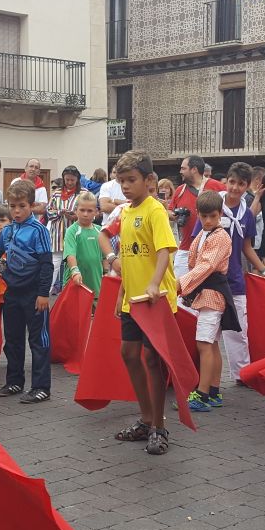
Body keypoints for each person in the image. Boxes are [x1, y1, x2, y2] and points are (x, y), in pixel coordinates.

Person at [102, 150, 179, 456]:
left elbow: (164, 251)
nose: (125, 186)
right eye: (121, 181)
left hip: (155, 300)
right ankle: (146, 419)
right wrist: (122, 290)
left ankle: (159, 425)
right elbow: (127, 256)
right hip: (132, 299)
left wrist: (153, 283)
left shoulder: (154, 210)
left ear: (149, 180)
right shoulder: (126, 213)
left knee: (152, 360)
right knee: (129, 353)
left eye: (131, 180)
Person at [0, 180, 54, 404]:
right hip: (12, 292)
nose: (16, 211)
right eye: (13, 206)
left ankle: (41, 386)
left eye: (22, 206)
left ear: (32, 205)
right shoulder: (8, 230)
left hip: (35, 293)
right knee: (13, 339)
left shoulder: (39, 231)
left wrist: (44, 293)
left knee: (38, 340)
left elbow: (47, 265)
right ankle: (15, 381)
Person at [214, 162, 265, 387]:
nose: (235, 188)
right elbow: (197, 242)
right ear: (226, 182)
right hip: (211, 278)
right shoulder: (212, 205)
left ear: (247, 186)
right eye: (232, 182)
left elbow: (246, 247)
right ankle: (204, 376)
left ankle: (242, 374)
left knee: (239, 327)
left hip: (235, 278)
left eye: (241, 184)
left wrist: (264, 270)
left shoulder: (247, 215)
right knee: (208, 330)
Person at [177, 190, 235, 413]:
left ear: (220, 214)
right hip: (205, 292)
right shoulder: (203, 235)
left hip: (212, 292)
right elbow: (196, 263)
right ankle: (213, 391)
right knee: (210, 344)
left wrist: (181, 283)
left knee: (204, 343)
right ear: (198, 214)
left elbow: (206, 266)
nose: (208, 220)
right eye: (204, 216)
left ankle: (202, 394)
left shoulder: (220, 236)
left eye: (212, 216)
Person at [169, 155, 225, 278]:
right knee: (179, 290)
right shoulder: (180, 190)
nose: (180, 172)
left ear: (194, 169)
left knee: (204, 292)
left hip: (211, 249)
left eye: (183, 168)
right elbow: (169, 211)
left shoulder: (217, 187)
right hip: (186, 248)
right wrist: (175, 215)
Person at [62, 191, 103, 300]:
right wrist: (75, 271)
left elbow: (104, 257)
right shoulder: (72, 231)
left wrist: (107, 272)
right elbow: (70, 254)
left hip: (96, 285)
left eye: (89, 211)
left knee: (95, 316)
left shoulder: (99, 231)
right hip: (75, 284)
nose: (85, 214)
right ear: (76, 210)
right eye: (82, 210)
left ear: (96, 212)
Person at [47, 166, 82, 292]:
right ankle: (47, 290)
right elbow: (49, 212)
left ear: (77, 179)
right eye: (67, 180)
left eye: (72, 180)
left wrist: (76, 216)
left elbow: (92, 213)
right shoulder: (56, 194)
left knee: (75, 263)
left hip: (76, 234)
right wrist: (60, 212)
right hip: (58, 234)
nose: (69, 182)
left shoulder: (84, 193)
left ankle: (72, 291)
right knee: (54, 263)